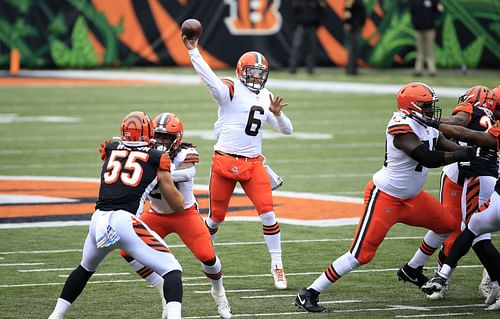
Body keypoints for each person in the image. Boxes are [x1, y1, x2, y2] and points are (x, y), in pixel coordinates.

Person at [293, 82, 477, 313]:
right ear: (412, 106)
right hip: (386, 197)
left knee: (448, 225)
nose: (431, 111)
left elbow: (444, 144)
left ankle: (413, 269)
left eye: (431, 106)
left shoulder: (426, 124)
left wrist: (474, 154)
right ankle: (309, 293)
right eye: (427, 106)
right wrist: (462, 153)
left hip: (413, 198)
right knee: (361, 255)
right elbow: (427, 157)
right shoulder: (400, 125)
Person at [47, 111, 185, 319]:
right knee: (172, 270)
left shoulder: (110, 148)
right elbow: (177, 205)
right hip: (123, 221)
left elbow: (115, 152)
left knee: (85, 268)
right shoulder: (157, 158)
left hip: (98, 220)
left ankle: (55, 316)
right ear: (148, 132)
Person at [182, 35, 293, 290]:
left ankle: (277, 265)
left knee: (268, 214)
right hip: (224, 161)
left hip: (253, 164)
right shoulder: (229, 89)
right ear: (241, 72)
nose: (256, 78)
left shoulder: (266, 96)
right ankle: (206, 258)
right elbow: (209, 78)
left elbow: (287, 130)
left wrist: (278, 114)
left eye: (260, 73)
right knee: (215, 219)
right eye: (252, 73)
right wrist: (194, 51)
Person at [118, 112, 232, 319]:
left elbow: (187, 173)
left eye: (166, 138)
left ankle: (219, 292)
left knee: (207, 256)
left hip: (184, 214)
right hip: (155, 214)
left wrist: (154, 171)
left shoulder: (186, 152)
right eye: (158, 137)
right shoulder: (145, 152)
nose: (161, 142)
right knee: (126, 249)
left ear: (176, 139)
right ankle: (161, 286)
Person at [397, 85, 500, 300]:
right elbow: (464, 130)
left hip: (477, 175)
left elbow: (462, 127)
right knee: (453, 227)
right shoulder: (484, 115)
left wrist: (435, 123)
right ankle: (433, 274)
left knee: (472, 231)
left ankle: (487, 277)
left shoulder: (479, 112)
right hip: (461, 175)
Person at [288, 0, 326, 74]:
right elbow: (293, 13)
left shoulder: (316, 1)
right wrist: (296, 23)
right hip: (301, 26)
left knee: (311, 48)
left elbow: (322, 12)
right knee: (297, 47)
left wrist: (317, 24)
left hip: (312, 27)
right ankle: (292, 68)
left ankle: (310, 68)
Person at [408, 0, 443, 76]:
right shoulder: (414, 1)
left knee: (430, 49)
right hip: (418, 29)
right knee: (419, 50)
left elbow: (439, 10)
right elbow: (412, 12)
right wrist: (415, 23)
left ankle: (431, 69)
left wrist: (432, 19)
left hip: (429, 29)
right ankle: (418, 69)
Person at [344, 0, 366, 75]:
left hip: (357, 26)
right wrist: (348, 22)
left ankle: (353, 69)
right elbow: (347, 10)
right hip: (353, 27)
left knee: (355, 49)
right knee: (353, 49)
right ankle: (351, 69)